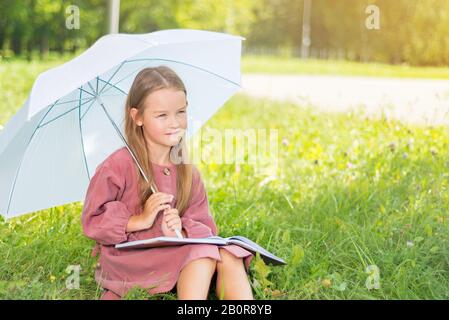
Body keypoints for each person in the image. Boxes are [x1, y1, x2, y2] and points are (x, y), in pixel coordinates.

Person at [81, 66, 254, 300]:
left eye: (180, 112)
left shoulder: (187, 172)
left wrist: (179, 230)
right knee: (202, 252)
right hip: (132, 257)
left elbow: (204, 223)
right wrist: (140, 220)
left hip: (174, 248)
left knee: (230, 255)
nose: (174, 123)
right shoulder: (117, 166)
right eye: (162, 115)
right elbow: (93, 220)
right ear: (137, 117)